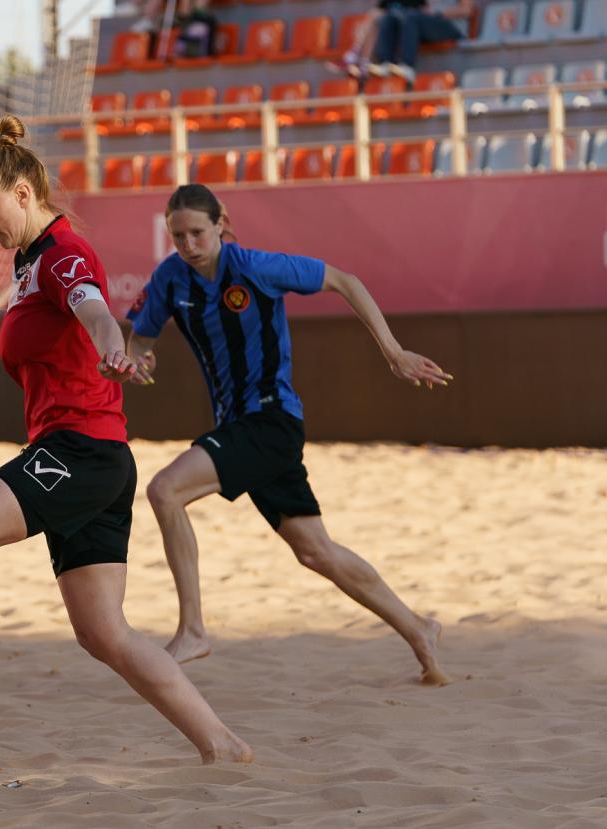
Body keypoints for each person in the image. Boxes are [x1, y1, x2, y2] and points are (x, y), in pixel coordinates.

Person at [0, 117, 252, 764]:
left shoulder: (65, 254)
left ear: (23, 193)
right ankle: (223, 744)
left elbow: (94, 313)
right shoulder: (33, 260)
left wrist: (113, 350)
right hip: (99, 458)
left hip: (76, 451)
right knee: (104, 632)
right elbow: (26, 319)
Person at [126, 184, 451, 686]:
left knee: (165, 490)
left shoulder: (256, 267)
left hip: (272, 419)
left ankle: (192, 630)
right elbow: (139, 341)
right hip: (238, 426)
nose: (188, 244)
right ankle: (418, 628)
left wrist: (393, 351)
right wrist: (137, 361)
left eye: (197, 233)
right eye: (178, 235)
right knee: (315, 550)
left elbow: (344, 280)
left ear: (220, 224)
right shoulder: (170, 278)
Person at [368, 0, 475, 83]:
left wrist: (437, 13)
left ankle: (407, 65)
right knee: (391, 17)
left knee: (411, 17)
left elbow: (466, 10)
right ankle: (385, 64)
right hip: (427, 22)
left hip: (452, 26)